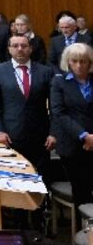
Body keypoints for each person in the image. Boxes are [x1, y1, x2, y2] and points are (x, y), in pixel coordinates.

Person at [0, 33, 56, 170]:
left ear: (30, 48)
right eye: (15, 46)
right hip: (10, 135)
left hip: (40, 136)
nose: (20, 49)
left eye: (24, 46)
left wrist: (54, 133)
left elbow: (55, 106)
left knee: (42, 176)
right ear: (9, 49)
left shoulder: (45, 71)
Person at [50, 43, 93, 210]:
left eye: (83, 61)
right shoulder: (59, 82)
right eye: (74, 61)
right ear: (67, 62)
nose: (79, 65)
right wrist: (85, 136)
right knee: (81, 190)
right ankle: (86, 232)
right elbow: (59, 113)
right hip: (73, 143)